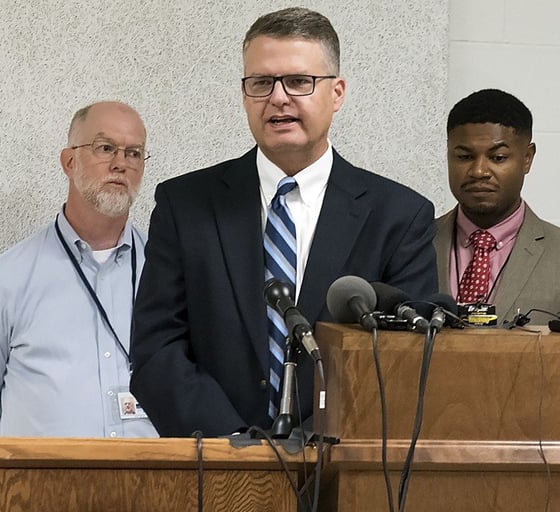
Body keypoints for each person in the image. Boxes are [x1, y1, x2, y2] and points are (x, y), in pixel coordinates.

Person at [131, 7, 437, 438]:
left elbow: (406, 362)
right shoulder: (187, 205)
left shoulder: (398, 216)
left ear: (337, 93)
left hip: (339, 472)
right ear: (244, 94)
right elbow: (156, 349)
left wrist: (312, 443)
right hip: (217, 467)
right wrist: (236, 444)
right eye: (261, 83)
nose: (278, 98)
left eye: (299, 82)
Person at [0, 101, 157, 438]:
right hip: (40, 489)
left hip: (151, 486)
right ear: (69, 161)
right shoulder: (8, 279)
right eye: (106, 148)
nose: (121, 164)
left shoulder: (167, 274)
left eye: (133, 153)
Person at [434, 89, 560, 324]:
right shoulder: (409, 246)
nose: (479, 171)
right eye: (464, 157)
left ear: (527, 158)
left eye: (498, 158)